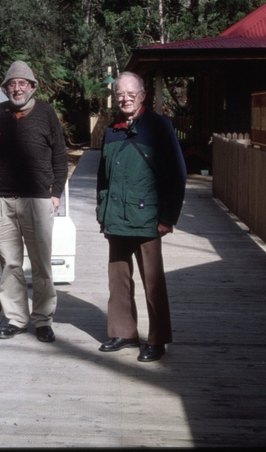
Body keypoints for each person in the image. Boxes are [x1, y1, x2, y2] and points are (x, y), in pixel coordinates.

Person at [95, 72, 186, 362]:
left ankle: (157, 340)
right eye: (120, 94)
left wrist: (168, 217)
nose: (125, 99)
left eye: (131, 94)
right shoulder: (112, 130)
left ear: (142, 96)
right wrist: (102, 210)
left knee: (153, 282)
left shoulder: (159, 127)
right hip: (116, 218)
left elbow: (177, 174)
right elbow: (103, 178)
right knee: (118, 279)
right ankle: (123, 332)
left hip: (148, 218)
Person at [0, 60, 68, 343]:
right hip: (2, 199)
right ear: (6, 89)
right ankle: (16, 319)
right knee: (10, 264)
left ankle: (43, 320)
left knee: (41, 264)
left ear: (32, 87)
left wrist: (55, 194)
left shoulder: (46, 113)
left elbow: (60, 157)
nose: (17, 88)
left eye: (22, 84)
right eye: (12, 84)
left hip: (37, 200)